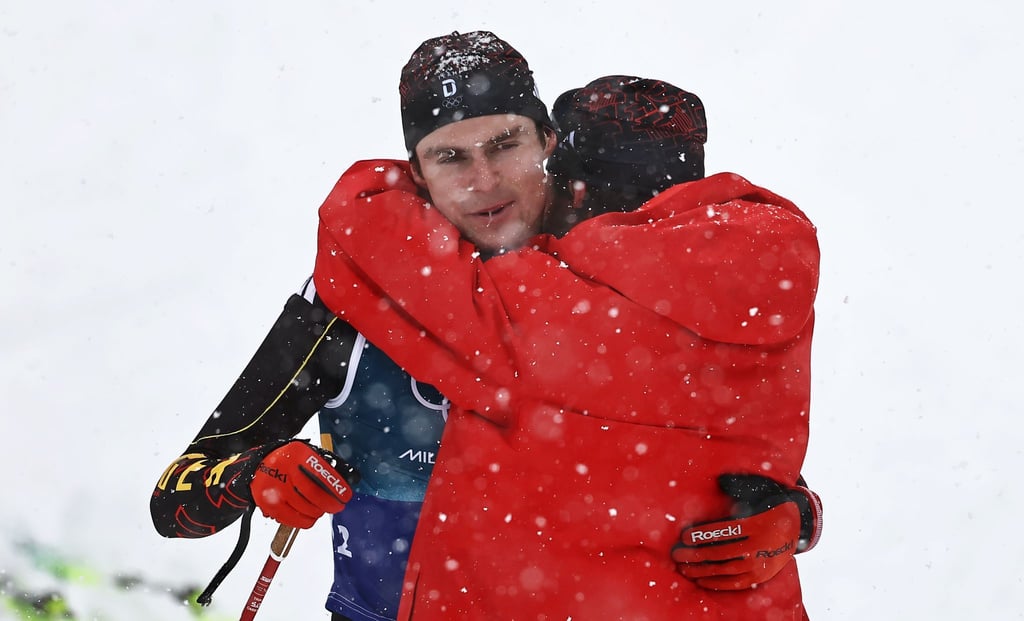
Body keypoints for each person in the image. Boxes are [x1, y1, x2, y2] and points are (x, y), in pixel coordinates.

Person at [151, 32, 820, 621]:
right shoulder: (357, 304)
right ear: (415, 172)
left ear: (549, 143)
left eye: (505, 144)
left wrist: (791, 517)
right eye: (451, 158)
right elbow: (175, 495)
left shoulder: (630, 293)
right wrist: (255, 475)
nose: (484, 179)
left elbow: (717, 451)